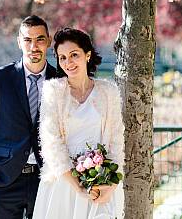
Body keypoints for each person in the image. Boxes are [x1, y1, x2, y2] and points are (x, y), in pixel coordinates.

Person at [33, 28, 125, 219]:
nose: (68, 62)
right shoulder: (53, 92)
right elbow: (51, 144)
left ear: (87, 55)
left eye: (74, 55)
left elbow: (117, 141)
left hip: (101, 184)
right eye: (62, 57)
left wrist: (111, 185)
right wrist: (79, 187)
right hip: (64, 184)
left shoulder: (109, 92)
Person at [0, 15, 57, 219]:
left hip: (47, 180)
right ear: (19, 42)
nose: (33, 46)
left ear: (48, 41)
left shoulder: (60, 79)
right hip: (4, 180)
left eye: (39, 39)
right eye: (28, 40)